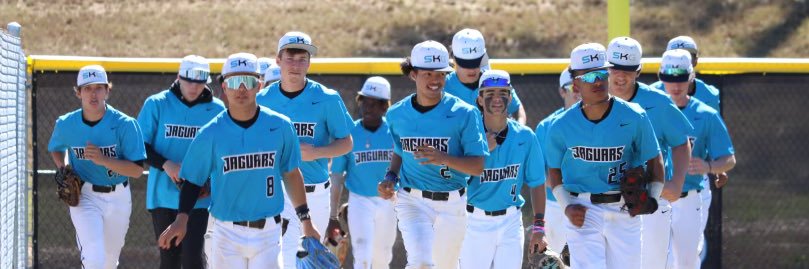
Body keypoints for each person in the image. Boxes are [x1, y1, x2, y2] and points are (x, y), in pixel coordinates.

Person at [157, 53, 320, 268]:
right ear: (224, 87)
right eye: (234, 81)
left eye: (248, 81)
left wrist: (306, 220)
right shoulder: (210, 133)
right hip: (226, 233)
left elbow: (291, 173)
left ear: (259, 85)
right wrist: (181, 218)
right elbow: (193, 181)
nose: (241, 88)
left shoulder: (281, 126)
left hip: (269, 232)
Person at [545, 43, 665, 269]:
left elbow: (655, 160)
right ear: (576, 82)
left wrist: (653, 199)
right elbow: (554, 170)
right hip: (583, 210)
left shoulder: (635, 116)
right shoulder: (561, 126)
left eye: (602, 73)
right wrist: (567, 206)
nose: (598, 81)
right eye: (589, 76)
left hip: (624, 209)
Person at [377, 40, 488, 269]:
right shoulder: (396, 113)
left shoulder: (464, 113)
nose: (435, 80)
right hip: (411, 200)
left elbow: (478, 166)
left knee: (445, 266)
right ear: (413, 75)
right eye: (427, 74)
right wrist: (390, 176)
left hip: (452, 202)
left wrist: (444, 158)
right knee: (421, 262)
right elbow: (400, 150)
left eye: (441, 74)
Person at [255, 31, 354, 268]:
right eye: (290, 57)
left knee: (307, 258)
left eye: (303, 58)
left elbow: (347, 143)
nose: (296, 65)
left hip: (316, 191)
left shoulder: (327, 98)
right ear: (278, 60)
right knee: (287, 255)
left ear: (309, 62)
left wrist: (316, 152)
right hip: (278, 190)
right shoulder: (262, 99)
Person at [606, 36, 694, 269]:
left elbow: (680, 142)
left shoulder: (658, 102)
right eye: (615, 69)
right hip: (603, 199)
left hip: (650, 198)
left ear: (639, 70)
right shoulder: (592, 99)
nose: (621, 75)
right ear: (607, 68)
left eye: (628, 69)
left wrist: (677, 182)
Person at [48, 65, 147, 269]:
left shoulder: (125, 124)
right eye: (87, 88)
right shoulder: (66, 124)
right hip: (85, 195)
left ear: (107, 91)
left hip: (119, 197)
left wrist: (104, 160)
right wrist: (63, 168)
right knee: (94, 259)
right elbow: (55, 148)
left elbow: (137, 170)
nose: (93, 94)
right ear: (78, 92)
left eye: (98, 88)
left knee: (109, 261)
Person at [137, 55, 224, 268]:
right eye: (189, 80)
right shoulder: (157, 103)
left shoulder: (217, 109)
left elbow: (223, 152)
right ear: (178, 77)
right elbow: (139, 146)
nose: (194, 86)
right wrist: (167, 164)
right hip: (163, 194)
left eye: (200, 81)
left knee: (193, 257)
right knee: (169, 258)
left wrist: (212, 180)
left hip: (200, 195)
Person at [459, 70, 547, 269]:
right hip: (473, 221)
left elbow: (537, 183)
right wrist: (481, 151)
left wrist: (539, 226)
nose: (497, 98)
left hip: (511, 221)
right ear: (480, 99)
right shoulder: (467, 134)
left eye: (503, 92)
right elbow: (454, 181)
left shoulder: (525, 136)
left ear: (510, 96)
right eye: (490, 93)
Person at [657, 49, 736, 269]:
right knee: (653, 261)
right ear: (660, 77)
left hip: (688, 197)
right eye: (670, 79)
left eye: (681, 78)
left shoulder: (705, 113)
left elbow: (729, 158)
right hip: (654, 197)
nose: (675, 85)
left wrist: (710, 166)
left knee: (687, 263)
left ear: (691, 77)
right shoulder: (648, 108)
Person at [329, 76, 397, 269]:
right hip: (359, 201)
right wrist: (333, 215)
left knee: (382, 258)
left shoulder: (394, 132)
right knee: (362, 255)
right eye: (365, 102)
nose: (368, 108)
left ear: (385, 107)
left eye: (375, 104)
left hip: (388, 201)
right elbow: (336, 176)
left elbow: (406, 169)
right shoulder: (349, 133)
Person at [534, 68, 580, 253]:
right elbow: (537, 175)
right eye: (572, 87)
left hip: (588, 203)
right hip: (554, 205)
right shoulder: (546, 126)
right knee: (553, 262)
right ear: (562, 91)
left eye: (581, 86)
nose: (578, 92)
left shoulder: (596, 121)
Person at [445, 28, 527, 124]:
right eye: (466, 64)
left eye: (476, 62)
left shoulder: (496, 81)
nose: (472, 69)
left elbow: (517, 109)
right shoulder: (443, 87)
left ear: (483, 58)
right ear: (453, 59)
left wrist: (517, 133)